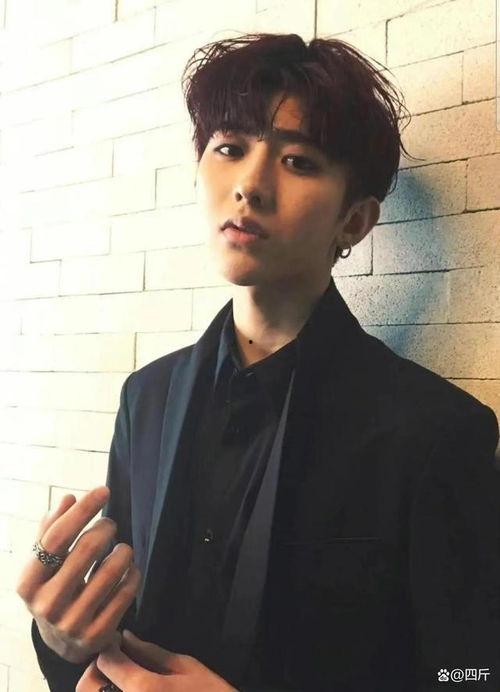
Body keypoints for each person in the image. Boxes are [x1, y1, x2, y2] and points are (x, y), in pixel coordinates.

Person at [17, 32, 500, 692]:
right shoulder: (146, 397)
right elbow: (119, 624)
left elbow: (469, 673)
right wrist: (62, 637)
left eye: (298, 161)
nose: (249, 184)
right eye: (229, 148)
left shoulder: (438, 432)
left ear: (354, 222)